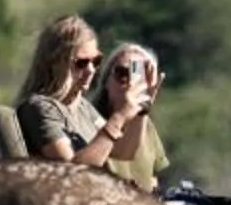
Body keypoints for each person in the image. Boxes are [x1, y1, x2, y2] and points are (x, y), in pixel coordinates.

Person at [15, 14, 124, 166]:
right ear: (56, 63)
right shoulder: (40, 108)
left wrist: (137, 110)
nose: (91, 70)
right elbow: (73, 172)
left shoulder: (83, 107)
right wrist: (118, 118)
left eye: (96, 61)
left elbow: (125, 156)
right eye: (81, 63)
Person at [89, 41, 169, 190]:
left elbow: (153, 177)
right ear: (106, 81)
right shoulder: (90, 119)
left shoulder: (146, 125)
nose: (131, 83)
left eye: (139, 75)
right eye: (122, 73)